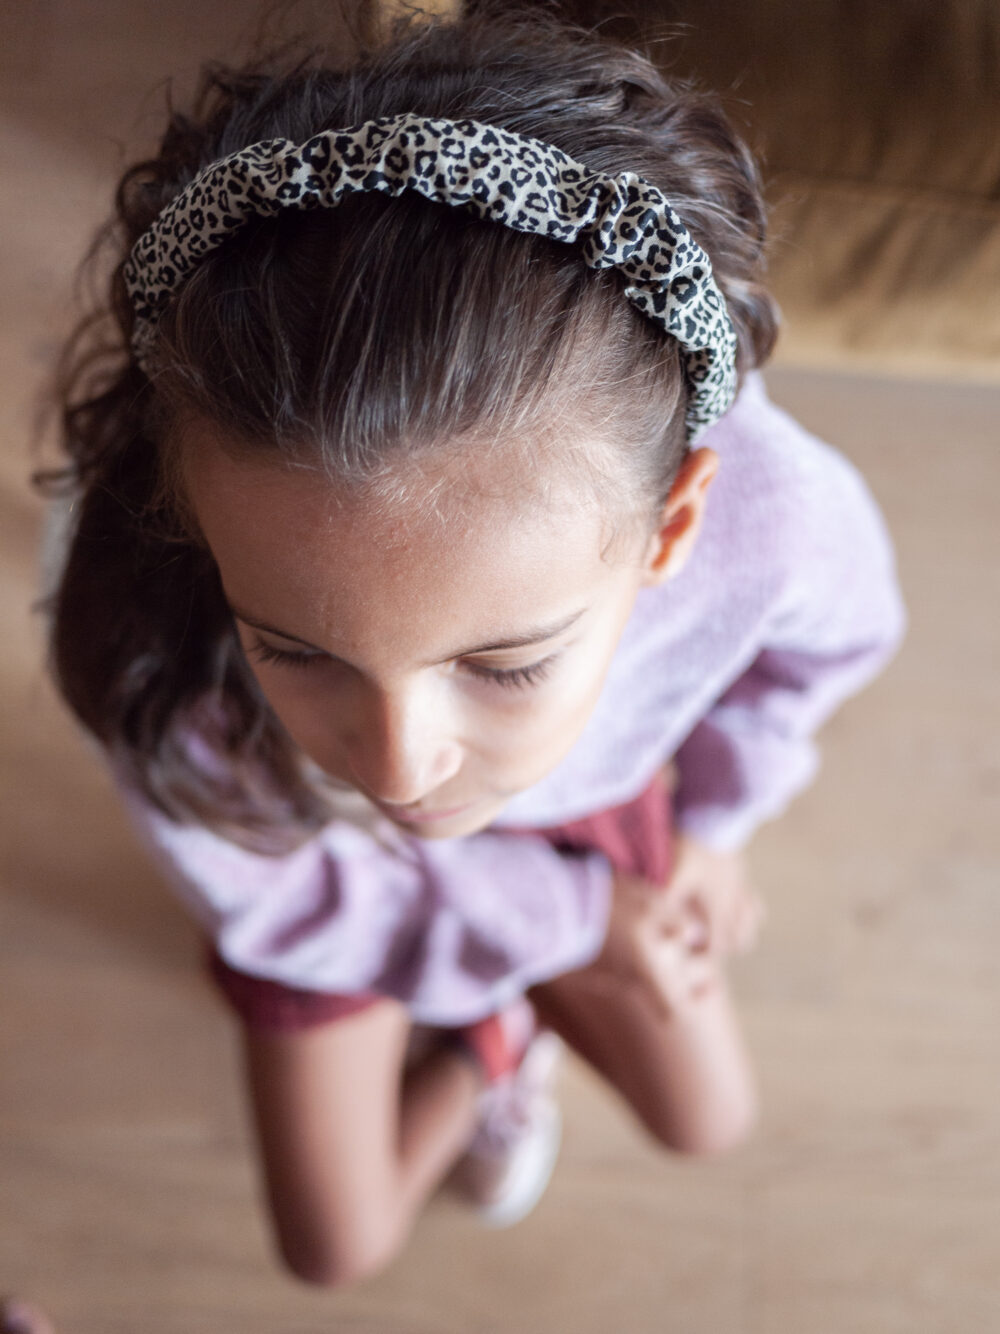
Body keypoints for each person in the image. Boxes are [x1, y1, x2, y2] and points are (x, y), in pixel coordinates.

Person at [34, 7, 905, 1297]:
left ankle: (496, 1019)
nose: (399, 765)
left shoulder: (772, 518)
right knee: (336, 1246)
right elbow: (280, 896)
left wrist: (717, 826)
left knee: (706, 1121)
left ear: (673, 526)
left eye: (503, 664)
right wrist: (573, 924)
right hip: (333, 881)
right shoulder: (172, 671)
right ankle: (495, 1041)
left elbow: (826, 651)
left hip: (594, 823)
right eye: (299, 649)